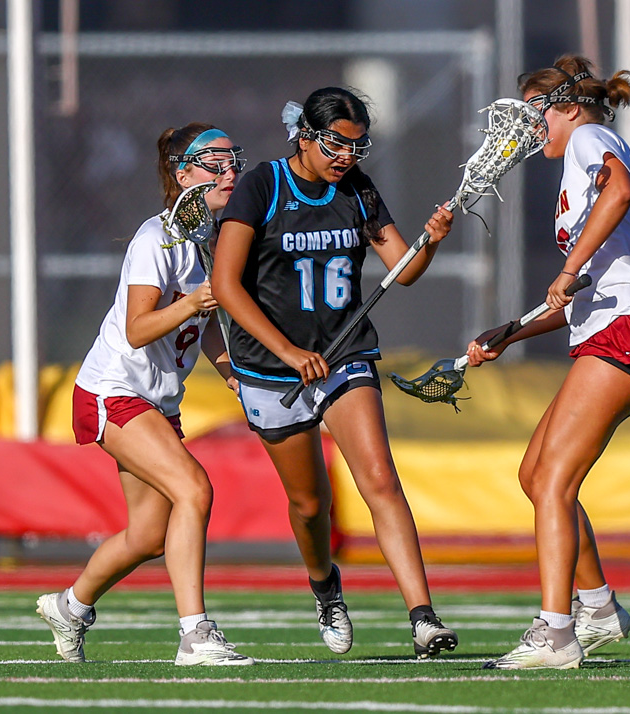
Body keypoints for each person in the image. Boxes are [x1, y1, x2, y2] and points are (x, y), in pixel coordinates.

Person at [211, 87, 459, 659]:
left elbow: (404, 269)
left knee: (380, 479)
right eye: (336, 144)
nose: (347, 156)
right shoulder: (262, 186)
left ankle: (423, 618)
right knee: (309, 505)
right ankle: (325, 587)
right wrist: (289, 352)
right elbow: (225, 286)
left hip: (345, 354)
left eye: (357, 145)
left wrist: (431, 242)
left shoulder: (357, 189)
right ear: (304, 136)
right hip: (271, 368)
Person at [468, 56, 630, 670]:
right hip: (610, 328)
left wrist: (566, 269)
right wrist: (512, 333)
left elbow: (618, 193)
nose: (527, 127)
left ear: (566, 107)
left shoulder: (589, 138)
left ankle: (556, 632)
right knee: (536, 476)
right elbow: (585, 291)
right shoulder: (577, 166)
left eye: (534, 113)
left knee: (555, 481)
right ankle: (597, 605)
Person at [36, 122, 254, 666]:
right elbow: (137, 329)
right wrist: (194, 301)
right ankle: (195, 634)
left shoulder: (210, 239)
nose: (230, 172)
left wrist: (233, 376)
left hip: (157, 400)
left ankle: (70, 606)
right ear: (184, 174)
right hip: (115, 389)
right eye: (216, 163)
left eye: (233, 161)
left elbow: (204, 326)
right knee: (195, 490)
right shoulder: (156, 238)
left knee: (149, 535)